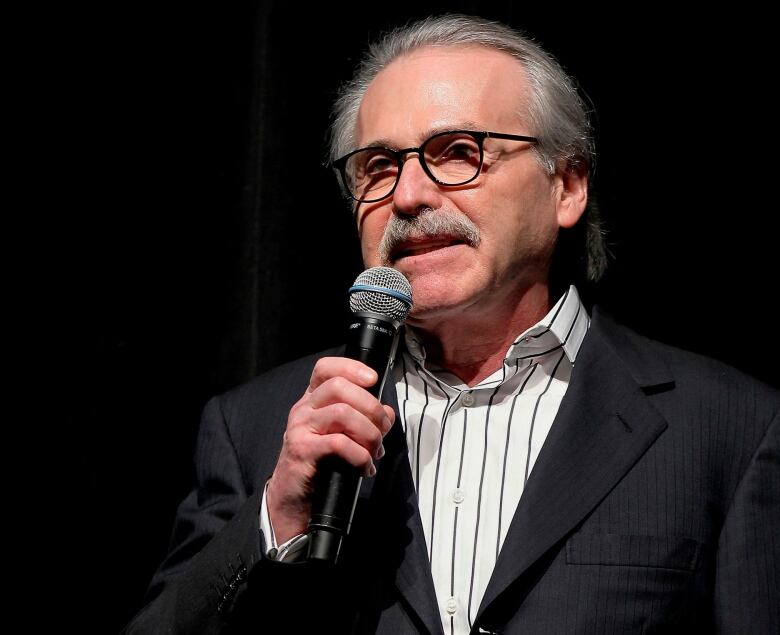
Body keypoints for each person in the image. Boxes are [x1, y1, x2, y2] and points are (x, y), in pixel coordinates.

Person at [123, 14, 779, 634]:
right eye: (378, 167)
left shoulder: (729, 428)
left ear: (568, 184)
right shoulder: (257, 429)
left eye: (459, 151)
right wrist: (275, 519)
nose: (408, 196)